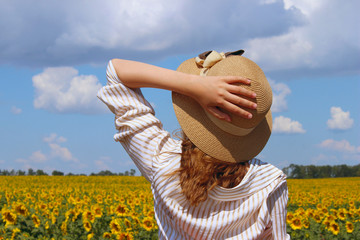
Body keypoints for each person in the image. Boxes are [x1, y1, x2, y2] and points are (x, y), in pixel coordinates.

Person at [97, 50, 290, 240]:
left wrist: (195, 84)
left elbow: (116, 72)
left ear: (196, 108)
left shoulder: (162, 162)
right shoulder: (271, 182)